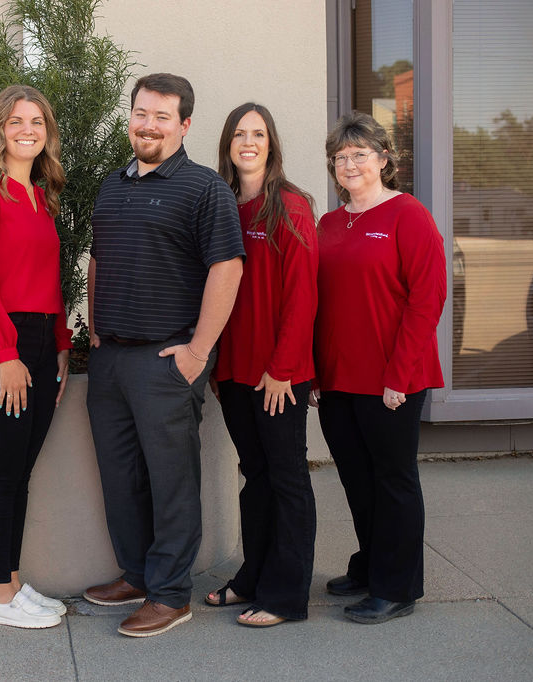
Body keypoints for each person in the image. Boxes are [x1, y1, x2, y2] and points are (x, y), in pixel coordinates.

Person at [84, 73, 245, 637]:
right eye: (141, 113)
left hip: (165, 361)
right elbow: (99, 257)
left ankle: (172, 594)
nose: (148, 125)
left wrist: (198, 351)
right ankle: (136, 574)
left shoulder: (204, 189)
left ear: (185, 125)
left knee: (171, 480)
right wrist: (94, 326)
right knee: (120, 476)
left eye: (161, 116)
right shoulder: (112, 184)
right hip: (110, 361)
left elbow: (228, 268)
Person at [313, 111, 445, 624]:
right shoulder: (329, 223)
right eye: (341, 157)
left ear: (384, 159)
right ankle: (369, 566)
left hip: (391, 379)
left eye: (360, 154)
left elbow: (427, 298)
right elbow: (319, 302)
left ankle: (398, 586)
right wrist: (317, 374)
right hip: (339, 378)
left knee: (393, 480)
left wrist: (400, 375)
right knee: (356, 480)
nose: (349, 164)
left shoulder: (407, 215)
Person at [0, 85, 72, 629]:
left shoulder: (40, 195)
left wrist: (61, 345)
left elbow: (48, 279)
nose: (28, 129)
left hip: (40, 342)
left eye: (37, 122)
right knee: (2, 475)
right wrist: (4, 352)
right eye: (17, 121)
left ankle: (13, 581)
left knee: (19, 474)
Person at [205, 103, 319, 628]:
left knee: (287, 478)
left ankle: (286, 595)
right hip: (234, 373)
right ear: (228, 143)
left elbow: (302, 297)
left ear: (271, 143)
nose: (248, 142)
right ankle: (253, 576)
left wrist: (285, 368)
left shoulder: (291, 208)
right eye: (239, 134)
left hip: (278, 376)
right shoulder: (224, 206)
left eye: (258, 133)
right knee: (255, 476)